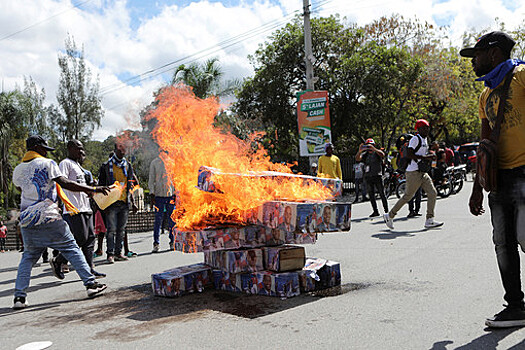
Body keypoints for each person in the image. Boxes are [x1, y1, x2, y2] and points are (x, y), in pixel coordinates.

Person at [462, 31, 525, 328]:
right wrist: (477, 188)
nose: (474, 61)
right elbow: (485, 143)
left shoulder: (523, 75)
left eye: (477, 55)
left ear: (495, 54)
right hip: (499, 180)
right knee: (503, 243)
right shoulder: (485, 94)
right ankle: (515, 307)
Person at [12, 135, 108, 310]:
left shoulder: (18, 169)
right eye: (44, 149)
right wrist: (93, 189)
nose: (46, 152)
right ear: (37, 148)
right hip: (49, 216)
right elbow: (65, 183)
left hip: (27, 220)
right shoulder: (48, 164)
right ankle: (91, 284)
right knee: (71, 247)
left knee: (28, 257)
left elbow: (21, 189)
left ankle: (19, 297)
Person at [52, 140, 106, 278]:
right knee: (80, 239)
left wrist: (92, 187)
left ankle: (90, 269)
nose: (81, 152)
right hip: (73, 209)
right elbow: (64, 183)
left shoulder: (78, 166)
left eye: (82, 149)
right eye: (78, 149)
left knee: (89, 240)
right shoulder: (65, 163)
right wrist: (90, 188)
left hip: (86, 207)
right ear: (70, 148)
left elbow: (84, 187)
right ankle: (58, 260)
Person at [383, 120, 444, 229]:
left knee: (432, 193)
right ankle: (390, 215)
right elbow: (409, 154)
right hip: (413, 172)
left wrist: (429, 155)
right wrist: (425, 158)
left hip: (422, 172)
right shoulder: (415, 139)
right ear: (419, 129)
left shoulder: (425, 139)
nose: (427, 129)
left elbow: (421, 154)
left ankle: (429, 219)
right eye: (424, 128)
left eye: (428, 127)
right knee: (408, 196)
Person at [98, 142, 138, 263]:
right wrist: (103, 204)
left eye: (124, 149)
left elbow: (130, 184)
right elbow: (101, 186)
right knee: (111, 230)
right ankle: (110, 254)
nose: (123, 151)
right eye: (120, 149)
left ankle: (118, 253)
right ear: (115, 150)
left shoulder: (127, 165)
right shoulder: (106, 165)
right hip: (111, 203)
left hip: (124, 202)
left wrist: (133, 201)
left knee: (121, 229)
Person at [148, 153, 175, 253]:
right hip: (159, 196)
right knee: (158, 221)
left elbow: (175, 178)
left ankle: (172, 242)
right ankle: (156, 244)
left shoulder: (171, 162)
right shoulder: (154, 163)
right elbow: (151, 179)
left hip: (170, 195)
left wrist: (176, 193)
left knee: (172, 220)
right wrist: (152, 194)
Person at [356, 138, 388, 217]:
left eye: (371, 146)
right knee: (371, 195)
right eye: (368, 146)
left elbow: (382, 154)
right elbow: (357, 159)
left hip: (378, 175)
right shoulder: (365, 155)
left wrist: (374, 149)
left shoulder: (377, 153)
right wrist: (360, 151)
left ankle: (386, 211)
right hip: (368, 177)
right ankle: (375, 211)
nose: (369, 148)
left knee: (382, 194)